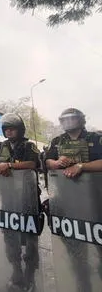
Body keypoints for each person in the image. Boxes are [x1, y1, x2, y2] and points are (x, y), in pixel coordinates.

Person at [44, 108, 102, 292]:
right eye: (65, 119)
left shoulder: (95, 138)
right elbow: (47, 161)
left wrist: (81, 166)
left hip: (96, 201)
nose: (68, 122)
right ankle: (82, 285)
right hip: (68, 203)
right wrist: (55, 163)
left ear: (80, 119)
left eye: (72, 118)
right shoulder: (57, 141)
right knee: (76, 250)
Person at [0, 113, 41, 290]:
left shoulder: (29, 145)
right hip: (8, 199)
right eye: (6, 129)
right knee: (10, 238)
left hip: (28, 199)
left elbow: (32, 164)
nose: (9, 131)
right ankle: (16, 271)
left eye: (12, 128)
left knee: (30, 239)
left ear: (19, 129)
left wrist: (9, 165)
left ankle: (30, 275)